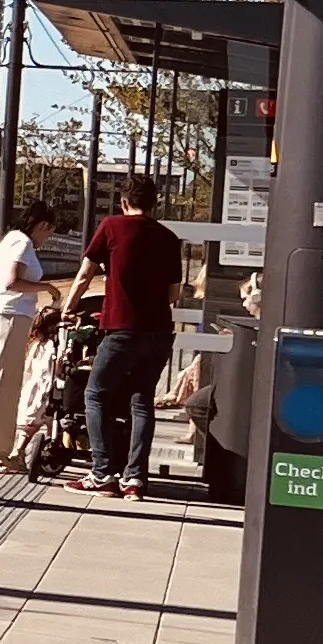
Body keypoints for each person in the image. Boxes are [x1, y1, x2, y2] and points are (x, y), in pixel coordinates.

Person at [70, 173, 185, 495]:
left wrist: (68, 308)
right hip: (159, 331)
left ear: (123, 202)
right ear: (154, 204)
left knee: (96, 394)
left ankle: (102, 472)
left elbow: (83, 275)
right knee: (141, 401)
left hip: (122, 330)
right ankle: (134, 478)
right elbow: (173, 294)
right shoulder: (168, 237)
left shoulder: (111, 226)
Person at [0, 199, 55, 470]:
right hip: (6, 316)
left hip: (13, 317)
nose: (47, 239)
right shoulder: (21, 243)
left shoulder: (16, 241)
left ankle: (0, 450)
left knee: (7, 386)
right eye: (49, 232)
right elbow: (13, 282)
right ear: (42, 225)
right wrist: (48, 288)